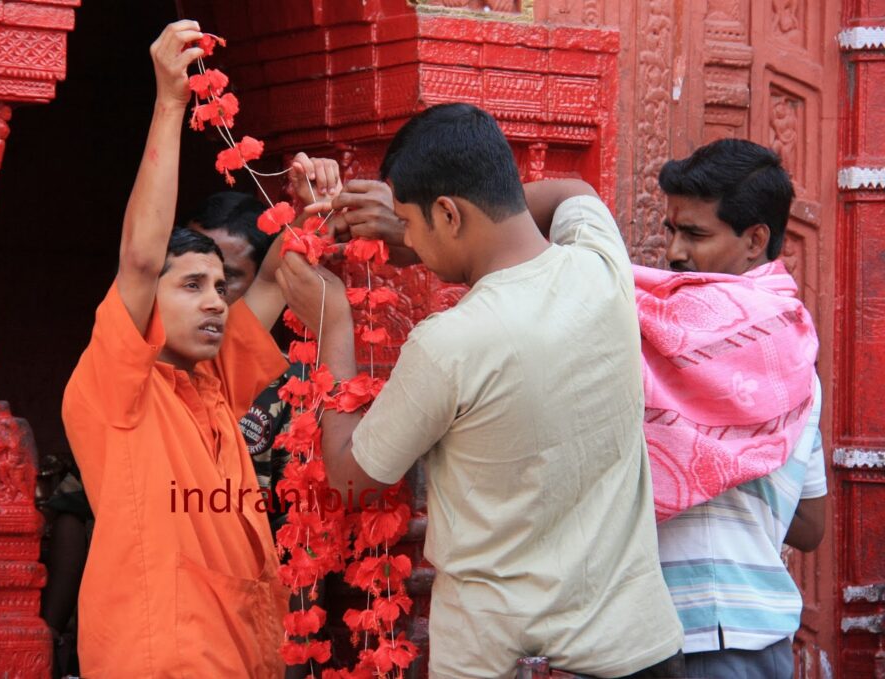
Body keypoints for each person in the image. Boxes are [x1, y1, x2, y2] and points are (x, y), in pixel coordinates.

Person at [277, 103, 685, 678]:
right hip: (638, 651)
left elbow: (349, 476)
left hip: (502, 661)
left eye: (413, 225)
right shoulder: (601, 266)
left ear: (448, 213)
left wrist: (334, 325)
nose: (407, 242)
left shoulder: (449, 343)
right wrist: (409, 228)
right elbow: (572, 188)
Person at [61, 21, 339, 677]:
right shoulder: (120, 391)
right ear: (148, 304)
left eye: (219, 285)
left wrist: (311, 210)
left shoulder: (214, 385)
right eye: (191, 285)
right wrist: (169, 102)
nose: (217, 300)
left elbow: (272, 279)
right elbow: (138, 256)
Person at [648, 138, 825, 678]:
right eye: (671, 230)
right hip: (755, 632)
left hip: (692, 630)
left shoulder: (666, 340)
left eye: (696, 234)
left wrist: (704, 460)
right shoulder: (796, 353)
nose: (676, 251)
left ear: (755, 240)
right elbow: (810, 526)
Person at [183, 192, 302, 531]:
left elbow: (299, 528)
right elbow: (76, 501)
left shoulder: (293, 385)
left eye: (225, 280)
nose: (209, 298)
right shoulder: (147, 362)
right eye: (191, 279)